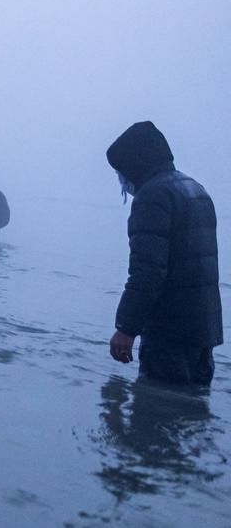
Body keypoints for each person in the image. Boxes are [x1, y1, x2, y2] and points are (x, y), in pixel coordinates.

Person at [105, 121, 222, 385]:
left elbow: (148, 270)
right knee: (191, 412)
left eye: (120, 171)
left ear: (134, 163)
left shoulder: (152, 196)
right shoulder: (195, 189)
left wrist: (126, 328)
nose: (121, 180)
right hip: (203, 328)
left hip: (169, 332)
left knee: (154, 416)